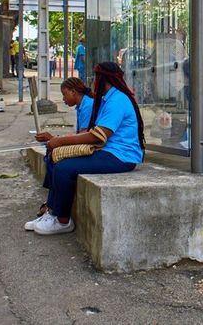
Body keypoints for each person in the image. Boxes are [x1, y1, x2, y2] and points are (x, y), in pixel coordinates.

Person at [28, 62, 144, 235]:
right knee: (58, 161)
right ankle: (51, 212)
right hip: (109, 151)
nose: (93, 83)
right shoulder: (110, 98)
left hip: (121, 156)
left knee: (63, 169)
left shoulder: (117, 100)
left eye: (96, 78)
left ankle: (62, 221)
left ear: (103, 79)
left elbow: (98, 135)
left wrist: (60, 141)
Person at [26, 78, 95, 229]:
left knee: (56, 160)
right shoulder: (82, 106)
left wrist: (55, 139)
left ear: (73, 92)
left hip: (92, 147)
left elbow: (84, 135)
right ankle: (50, 207)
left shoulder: (88, 106)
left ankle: (53, 209)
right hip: (85, 144)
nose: (63, 99)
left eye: (64, 95)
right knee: (51, 155)